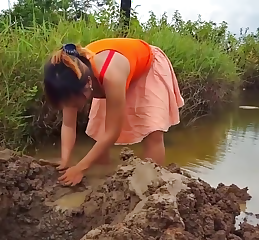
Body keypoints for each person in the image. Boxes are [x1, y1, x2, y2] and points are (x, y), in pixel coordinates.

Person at [43, 38, 184, 186]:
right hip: (113, 71)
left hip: (147, 65)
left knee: (152, 130)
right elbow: (68, 125)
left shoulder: (110, 75)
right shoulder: (70, 77)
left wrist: (80, 168)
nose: (70, 107)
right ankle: (102, 174)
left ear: (88, 85)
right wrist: (65, 160)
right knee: (99, 129)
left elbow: (112, 132)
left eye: (72, 103)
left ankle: (153, 183)